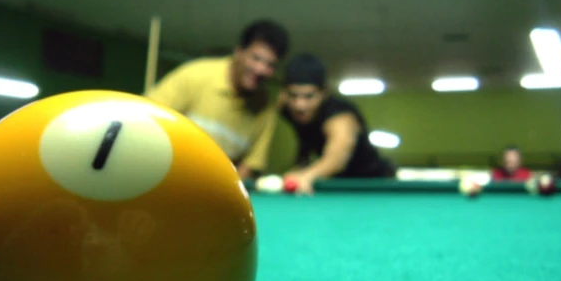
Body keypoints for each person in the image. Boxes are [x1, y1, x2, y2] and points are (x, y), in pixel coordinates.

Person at [146, 19, 289, 180]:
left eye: (270, 65)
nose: (261, 69)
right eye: (256, 58)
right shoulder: (195, 75)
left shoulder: (265, 108)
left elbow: (249, 165)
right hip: (166, 177)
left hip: (216, 191)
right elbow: (146, 124)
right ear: (239, 52)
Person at [278, 53, 396, 194]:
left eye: (308, 96)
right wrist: (300, 167)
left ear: (324, 93)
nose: (299, 105)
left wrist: (306, 176)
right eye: (293, 95)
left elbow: (336, 160)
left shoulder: (339, 115)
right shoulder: (286, 107)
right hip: (336, 181)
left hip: (373, 182)